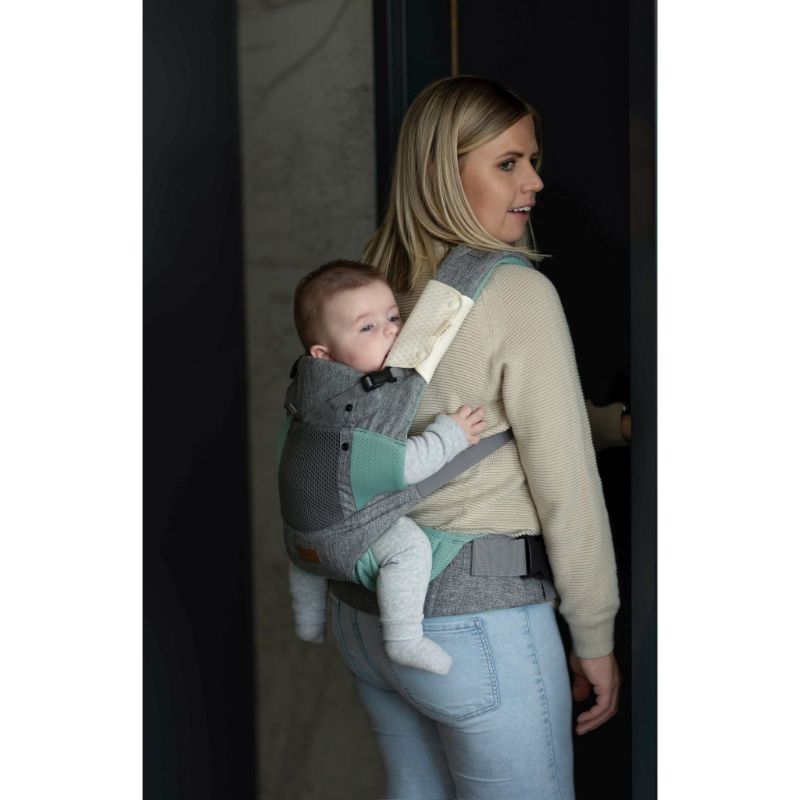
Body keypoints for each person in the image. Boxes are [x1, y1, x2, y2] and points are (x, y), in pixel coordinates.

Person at [325, 75, 622, 799]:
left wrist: (610, 425)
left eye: (532, 160)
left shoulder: (372, 288)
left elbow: (452, 412)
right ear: (444, 173)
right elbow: (565, 484)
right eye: (508, 162)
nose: (535, 181)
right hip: (478, 623)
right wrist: (594, 634)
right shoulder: (515, 292)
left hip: (369, 619)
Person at [287, 259, 487, 675]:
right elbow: (402, 466)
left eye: (394, 317)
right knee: (409, 546)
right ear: (324, 355)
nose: (392, 331)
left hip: (301, 541)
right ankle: (404, 639)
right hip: (344, 537)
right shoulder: (356, 414)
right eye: (367, 327)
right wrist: (450, 435)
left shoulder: (303, 394)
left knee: (306, 557)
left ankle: (308, 622)